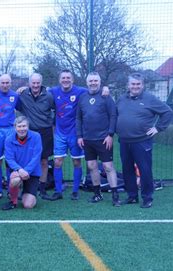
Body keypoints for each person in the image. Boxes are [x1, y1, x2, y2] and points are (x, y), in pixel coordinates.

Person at [116, 73, 172, 208]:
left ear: (142, 85)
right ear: (128, 85)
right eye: (133, 84)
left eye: (138, 84)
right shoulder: (121, 99)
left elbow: (167, 112)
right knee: (127, 169)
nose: (135, 86)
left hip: (142, 141)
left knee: (144, 169)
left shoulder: (150, 99)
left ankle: (147, 197)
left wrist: (158, 128)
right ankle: (132, 196)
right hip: (124, 141)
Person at [76, 72, 120, 206]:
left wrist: (110, 134)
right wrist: (79, 136)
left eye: (95, 81)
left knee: (108, 166)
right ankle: (97, 194)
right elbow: (78, 118)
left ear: (100, 82)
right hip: (88, 139)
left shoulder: (106, 97)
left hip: (104, 139)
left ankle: (115, 195)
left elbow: (113, 115)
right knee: (91, 166)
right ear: (87, 82)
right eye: (91, 81)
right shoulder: (82, 98)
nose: (93, 83)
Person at [47, 69, 87, 201]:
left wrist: (104, 89)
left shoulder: (80, 91)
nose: (66, 80)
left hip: (75, 133)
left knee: (76, 162)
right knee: (57, 162)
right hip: (59, 133)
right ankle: (58, 191)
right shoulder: (53, 91)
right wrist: (23, 88)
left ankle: (75, 191)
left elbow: (94, 90)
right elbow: (38, 89)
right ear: (60, 80)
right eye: (63, 78)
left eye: (68, 78)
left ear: (72, 80)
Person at [16, 73, 55, 199]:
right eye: (33, 83)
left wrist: (52, 126)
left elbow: (55, 110)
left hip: (45, 132)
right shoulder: (22, 95)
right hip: (29, 132)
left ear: (41, 83)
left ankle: (42, 189)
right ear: (29, 83)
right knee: (27, 160)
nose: (36, 85)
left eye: (38, 83)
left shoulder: (48, 96)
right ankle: (25, 188)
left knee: (44, 161)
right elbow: (14, 103)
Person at [3, 116, 42, 210]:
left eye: (24, 126)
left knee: (28, 205)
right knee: (15, 180)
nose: (22, 129)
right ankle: (13, 201)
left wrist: (27, 171)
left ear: (28, 126)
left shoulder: (36, 136)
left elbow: (36, 157)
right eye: (19, 126)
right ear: (15, 127)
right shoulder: (9, 139)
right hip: (18, 171)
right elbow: (9, 159)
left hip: (32, 173)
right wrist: (20, 170)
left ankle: (27, 193)